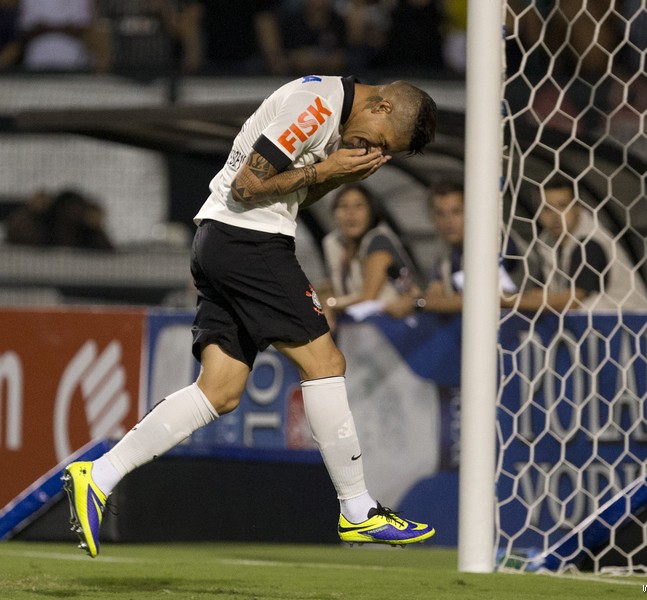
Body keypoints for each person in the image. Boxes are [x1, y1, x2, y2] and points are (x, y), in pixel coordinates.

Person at [62, 74, 438, 558]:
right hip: (248, 241)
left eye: (381, 152)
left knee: (219, 390)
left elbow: (287, 195)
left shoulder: (334, 115)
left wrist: (339, 174)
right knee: (325, 364)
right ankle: (358, 509)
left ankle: (99, 475)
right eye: (378, 140)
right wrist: (325, 171)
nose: (369, 148)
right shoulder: (317, 105)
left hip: (225, 240)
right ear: (381, 106)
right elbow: (247, 187)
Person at [505, 174, 647, 313]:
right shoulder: (546, 244)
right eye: (547, 208)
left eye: (562, 206)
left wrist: (507, 301)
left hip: (631, 326)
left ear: (578, 207)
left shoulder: (590, 242)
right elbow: (540, 294)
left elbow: (570, 301)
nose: (556, 216)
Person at [385, 179, 520, 318]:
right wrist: (415, 298)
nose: (448, 221)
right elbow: (435, 292)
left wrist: (418, 303)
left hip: (517, 322)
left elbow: (480, 299)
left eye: (456, 212)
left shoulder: (496, 242)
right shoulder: (447, 252)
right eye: (440, 214)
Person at [319, 183, 419, 323]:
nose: (351, 213)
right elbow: (335, 288)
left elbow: (368, 298)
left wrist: (329, 305)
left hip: (395, 324)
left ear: (371, 211)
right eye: (343, 206)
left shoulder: (378, 241)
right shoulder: (336, 244)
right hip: (365, 328)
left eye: (359, 206)